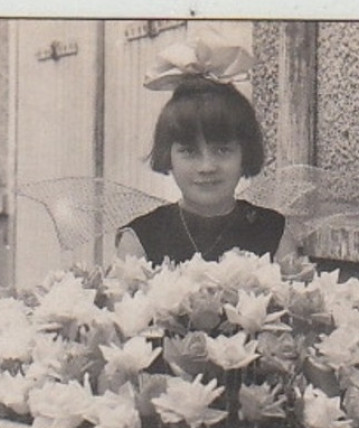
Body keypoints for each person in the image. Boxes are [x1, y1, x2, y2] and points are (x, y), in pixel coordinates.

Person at [116, 36, 285, 265]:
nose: (207, 167)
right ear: (168, 155)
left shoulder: (273, 232)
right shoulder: (141, 238)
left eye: (223, 150)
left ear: (245, 153)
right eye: (189, 152)